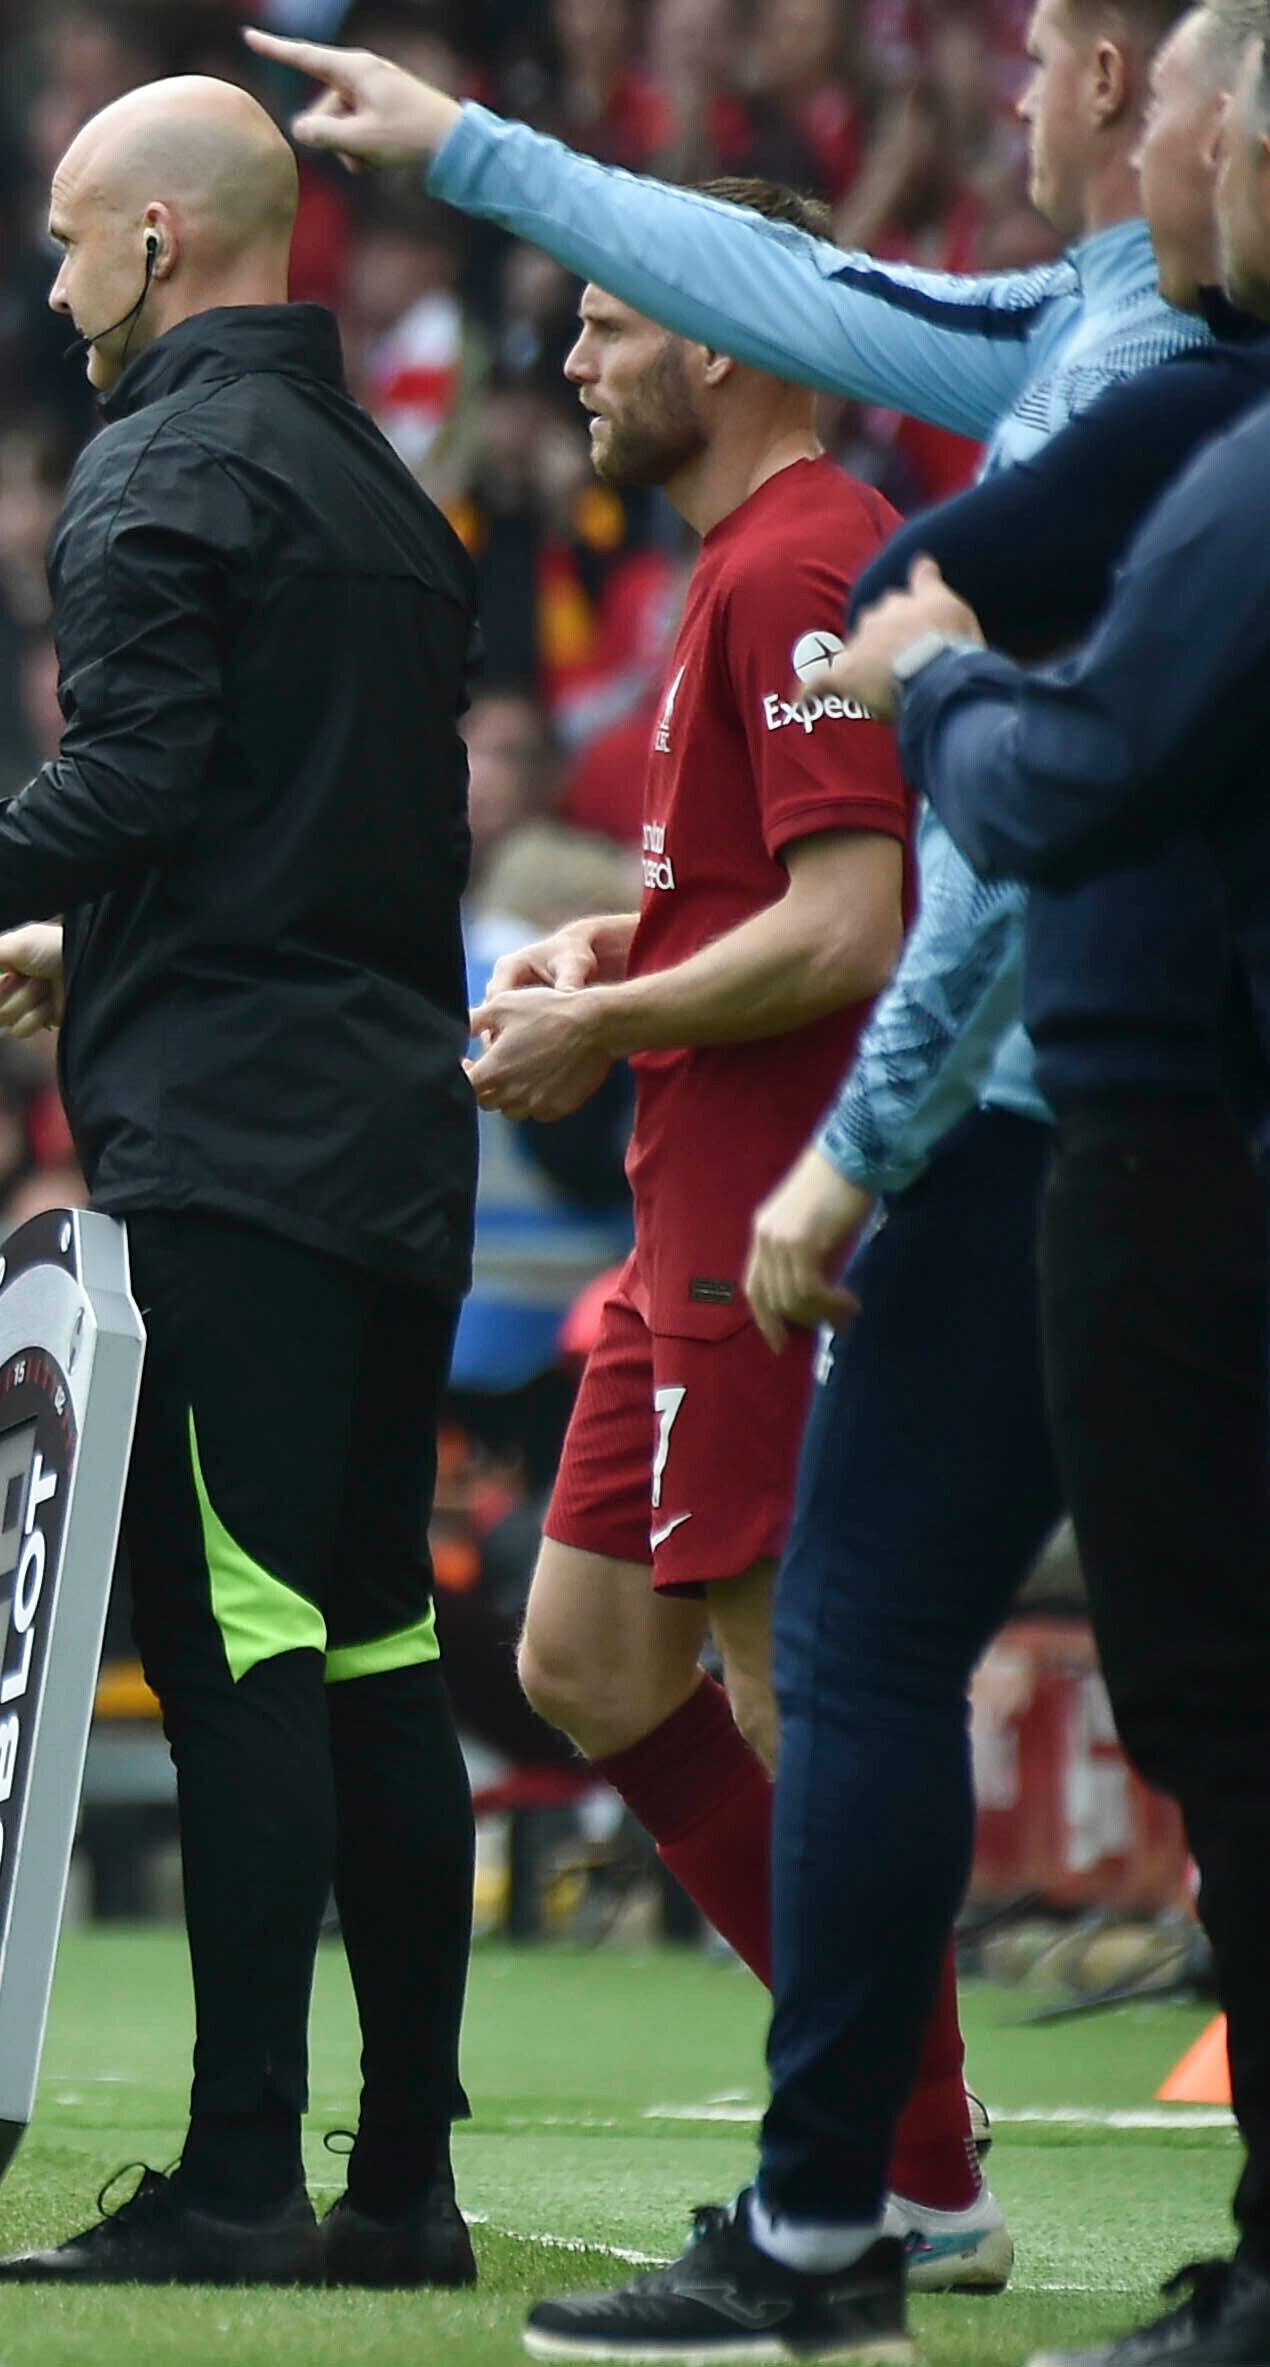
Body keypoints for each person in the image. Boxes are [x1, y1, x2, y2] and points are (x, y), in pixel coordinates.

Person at [258, 0, 1202, 2327]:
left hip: (789, 1223)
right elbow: (784, 887)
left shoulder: (812, 562)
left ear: (728, 344)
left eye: (611, 328)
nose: (579, 368)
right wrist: (629, 939)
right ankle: (893, 2145)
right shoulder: (750, 561)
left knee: (817, 1687)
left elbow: (864, 922)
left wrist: (614, 1013)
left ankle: (897, 2168)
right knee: (586, 1657)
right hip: (692, 1217)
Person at [0, 76, 484, 2291]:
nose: (51, 276)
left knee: (238, 1643)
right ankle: (398, 2185)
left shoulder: (158, 463)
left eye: (76, 237)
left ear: (162, 249)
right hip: (390, 1122)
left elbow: (135, 766)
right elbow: (297, 821)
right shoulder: (385, 494)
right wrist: (78, 935)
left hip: (229, 1150)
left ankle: (234, 2174)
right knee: (376, 1631)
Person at [804, 21, 1270, 2354]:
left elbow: (1071, 775)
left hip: (1169, 1135)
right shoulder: (1198, 414)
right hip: (1159, 1117)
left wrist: (934, 696)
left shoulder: (1232, 437)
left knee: (1205, 1703)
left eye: (1198, 113)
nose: (1152, 151)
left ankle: (859, 2211)